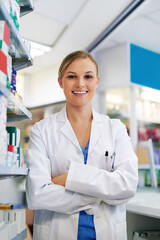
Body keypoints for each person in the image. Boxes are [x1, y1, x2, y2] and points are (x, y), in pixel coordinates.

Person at [26, 50, 138, 240]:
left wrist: (68, 178)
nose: (80, 84)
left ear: (97, 81)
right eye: (72, 77)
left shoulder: (115, 129)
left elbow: (127, 185)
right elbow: (37, 194)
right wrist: (100, 195)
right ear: (61, 82)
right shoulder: (41, 130)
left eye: (88, 76)